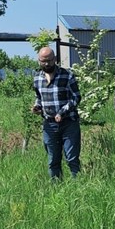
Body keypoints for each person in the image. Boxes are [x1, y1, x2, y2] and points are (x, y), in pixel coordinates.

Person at [31, 46, 82, 179]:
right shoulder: (37, 78)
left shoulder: (67, 75)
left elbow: (76, 97)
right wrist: (37, 107)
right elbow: (39, 98)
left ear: (55, 59)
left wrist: (62, 112)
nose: (47, 64)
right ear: (39, 61)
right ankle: (56, 187)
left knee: (72, 158)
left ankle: (77, 186)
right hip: (49, 125)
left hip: (69, 123)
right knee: (53, 159)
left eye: (49, 60)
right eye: (43, 61)